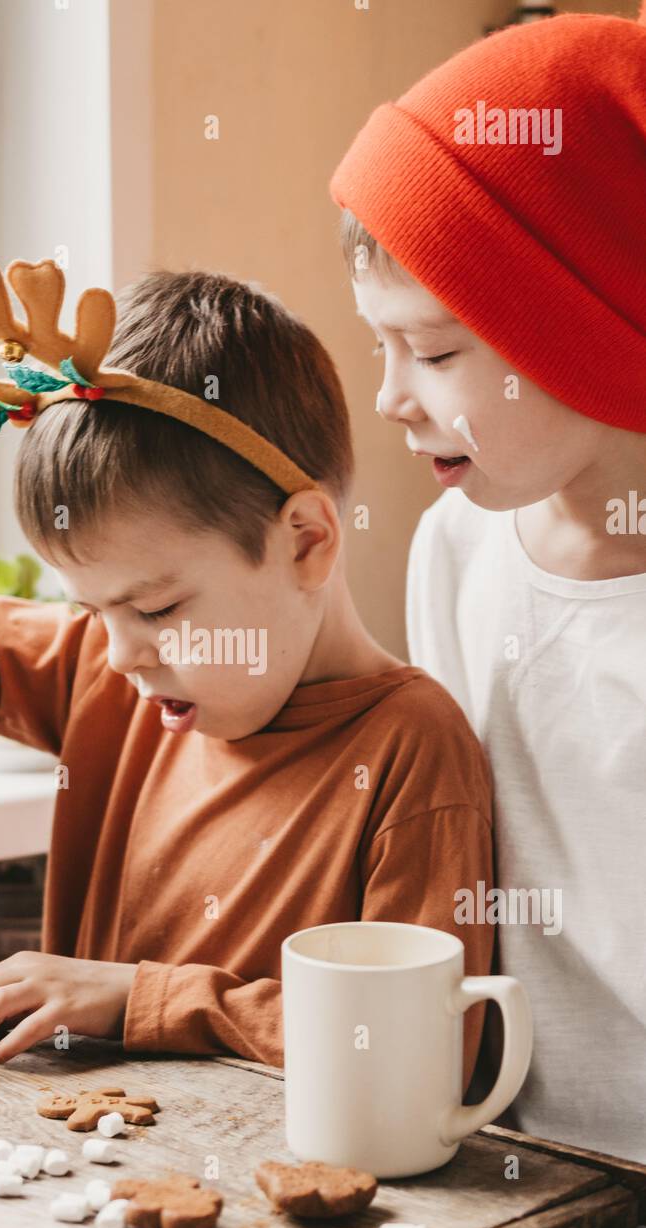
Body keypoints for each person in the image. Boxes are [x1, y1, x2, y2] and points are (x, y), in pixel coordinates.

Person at [0, 267, 493, 1076]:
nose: (122, 654)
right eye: (93, 611)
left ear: (305, 541)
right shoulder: (114, 673)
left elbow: (423, 1048)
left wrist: (139, 999)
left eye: (157, 611)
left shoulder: (412, 750)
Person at [330, 6, 646, 1159]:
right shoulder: (453, 550)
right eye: (381, 344)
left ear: (590, 332)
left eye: (436, 349)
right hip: (528, 1174)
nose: (390, 397)